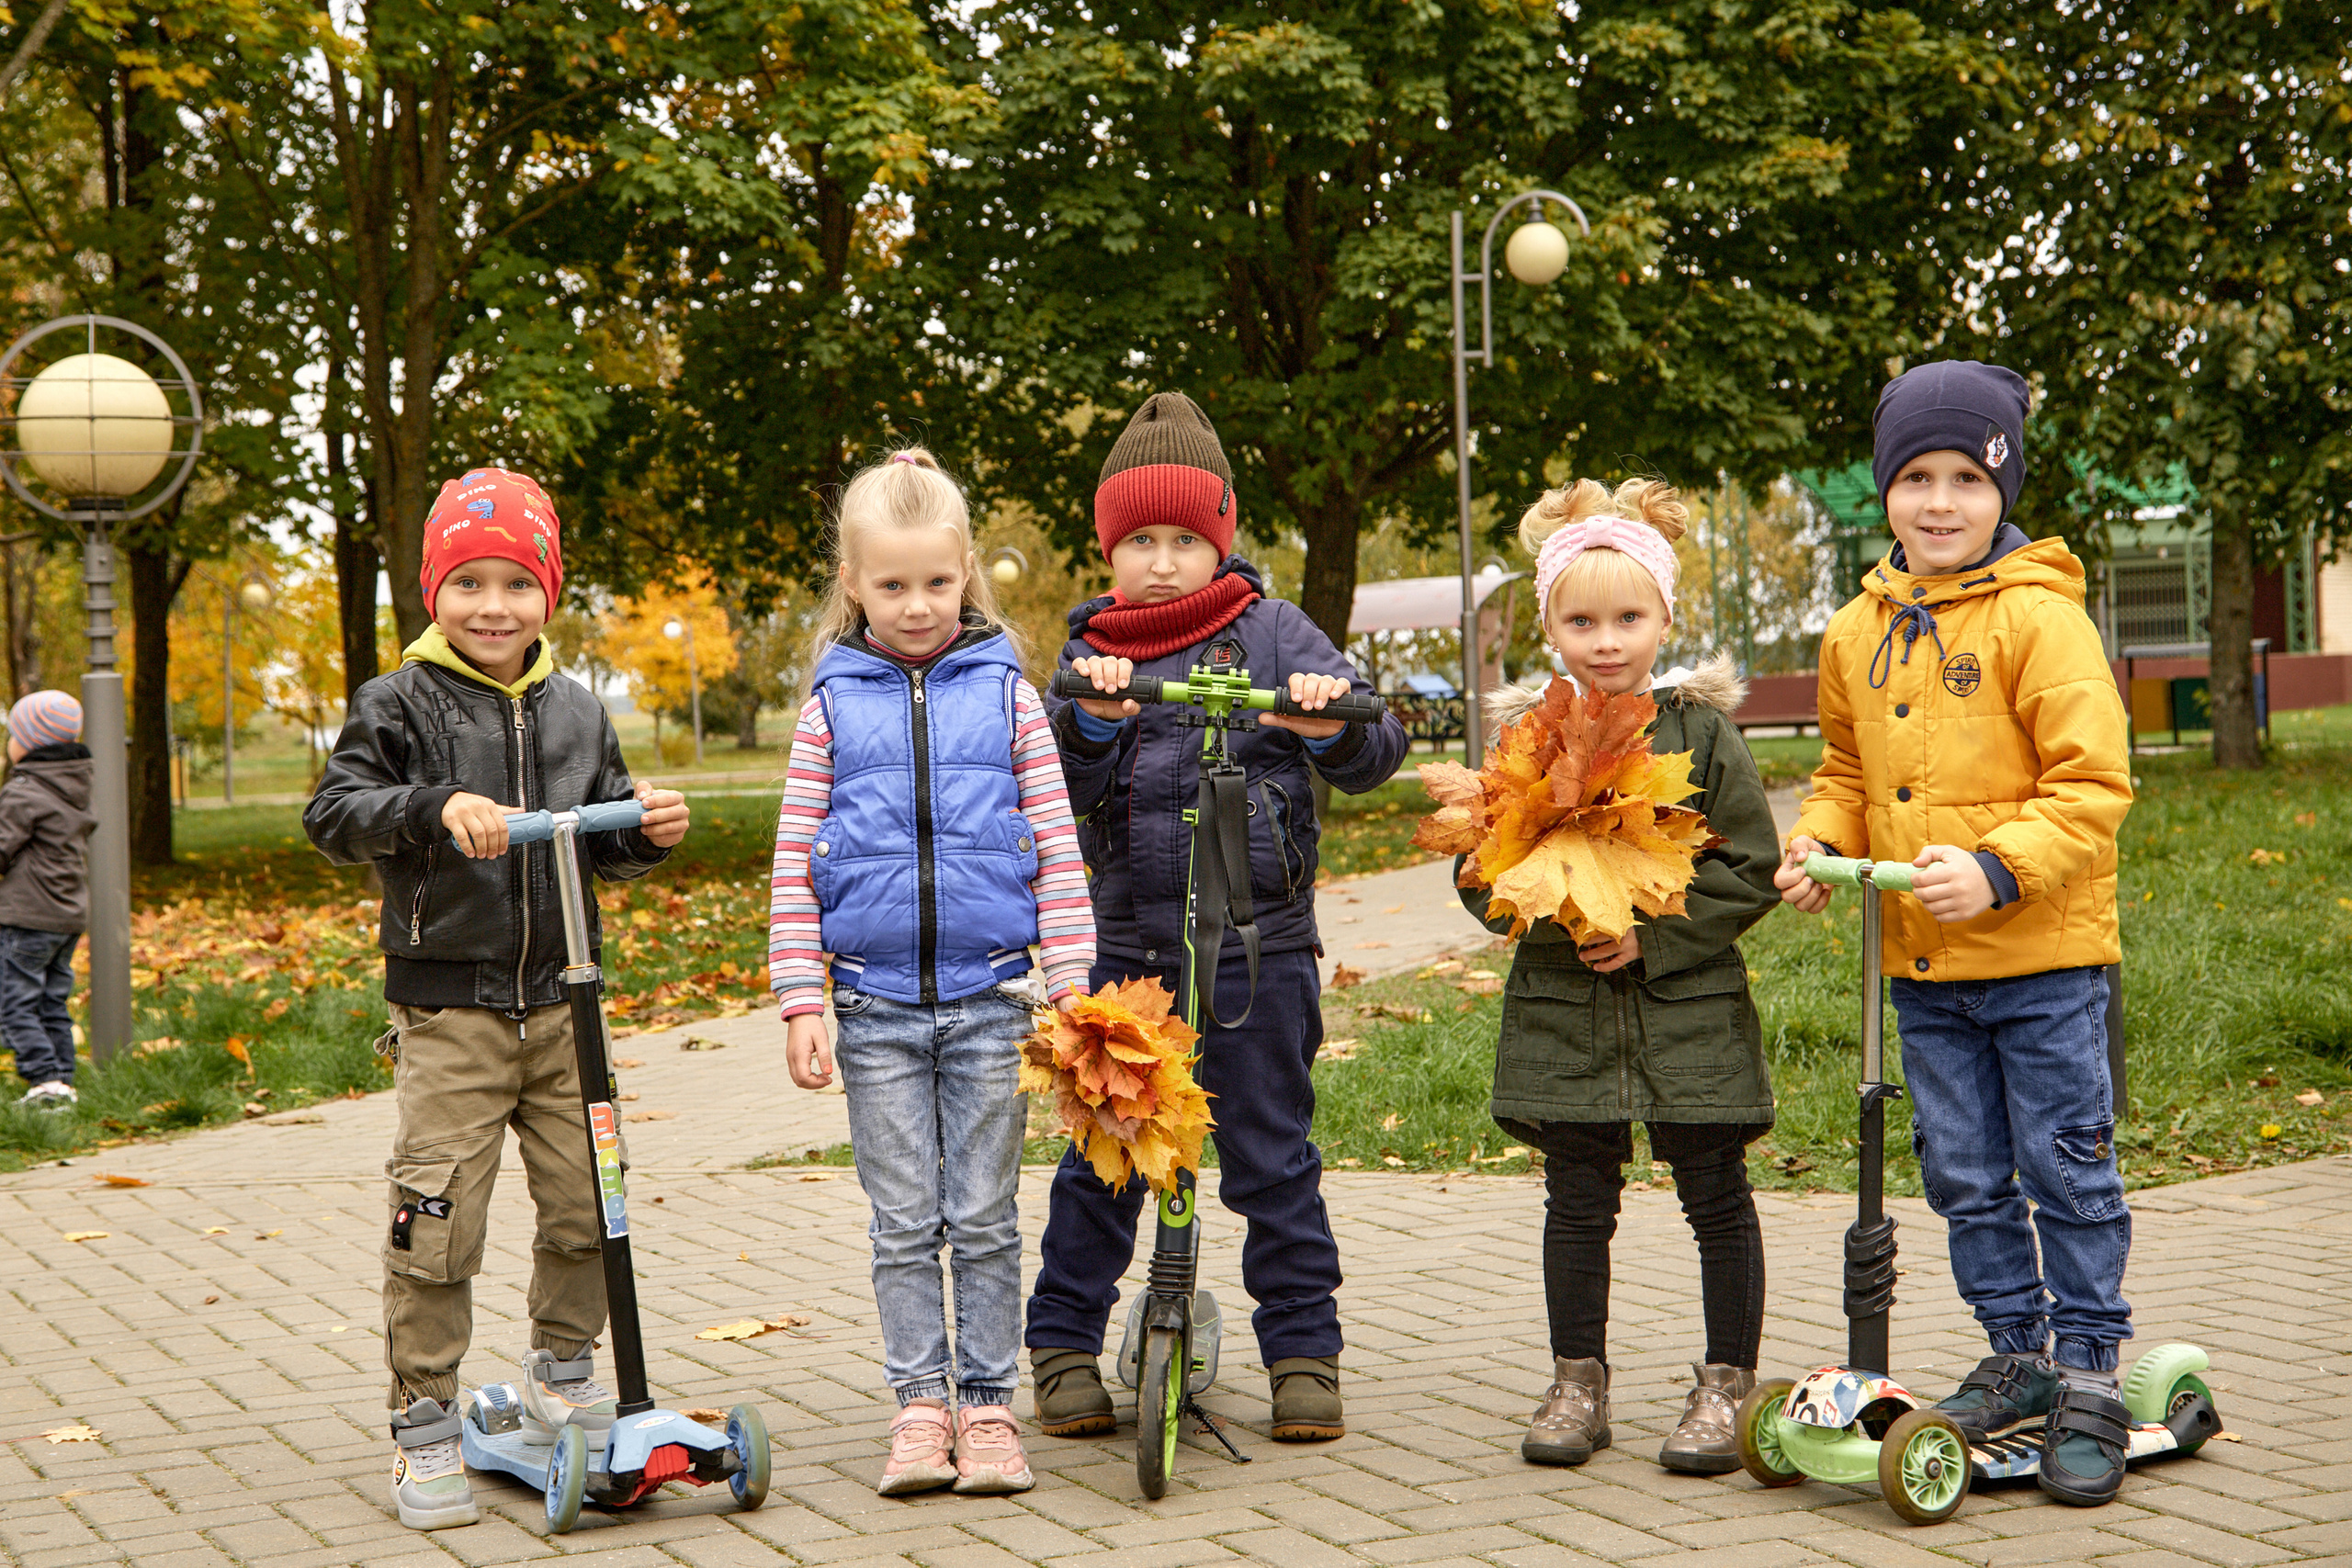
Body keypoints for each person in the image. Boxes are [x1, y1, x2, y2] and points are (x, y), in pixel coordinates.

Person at [1776, 360, 2135, 1507]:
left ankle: (2088, 1369)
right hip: (1924, 970)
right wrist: (1817, 841)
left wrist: (1993, 869)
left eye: (1966, 480)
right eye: (1915, 478)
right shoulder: (1855, 631)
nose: (1940, 502)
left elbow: (2091, 786)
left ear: (2001, 488)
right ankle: (2015, 1352)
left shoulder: (2042, 618)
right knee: (1966, 1177)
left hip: (2043, 963)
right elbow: (1844, 770)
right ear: (1883, 489)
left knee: (2063, 1169)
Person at [305, 468, 691, 1531]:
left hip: (567, 1007)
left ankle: (564, 1369)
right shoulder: (397, 702)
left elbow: (601, 842)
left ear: (547, 593)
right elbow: (334, 815)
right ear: (434, 589)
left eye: (517, 583)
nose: (493, 606)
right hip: (453, 1015)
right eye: (468, 582)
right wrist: (434, 807)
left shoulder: (578, 708)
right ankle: (425, 1423)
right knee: (438, 1221)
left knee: (589, 1203)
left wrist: (644, 831)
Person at [1029, 391, 1408, 1442]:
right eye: (1139, 541)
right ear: (1109, 548)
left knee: (1272, 1155)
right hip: (1127, 954)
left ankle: (1304, 1351)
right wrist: (1092, 722)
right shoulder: (1094, 651)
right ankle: (1061, 1345)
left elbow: (1377, 748)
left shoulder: (1273, 632)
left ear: (1221, 540)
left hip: (1259, 951)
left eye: (1185, 540)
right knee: (1105, 1156)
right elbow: (1048, 783)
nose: (1162, 562)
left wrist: (1328, 725)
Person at [770, 446, 1094, 1498]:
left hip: (992, 1000)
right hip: (872, 1010)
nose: (917, 606)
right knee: (905, 1222)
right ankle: (919, 1406)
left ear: (968, 575)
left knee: (987, 1218)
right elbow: (794, 858)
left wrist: (1070, 980)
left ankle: (988, 1407)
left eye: (938, 582)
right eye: (892, 584)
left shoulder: (1007, 697)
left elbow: (1055, 846)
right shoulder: (829, 707)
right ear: (852, 584)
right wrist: (801, 996)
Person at [1458, 479, 1781, 1472]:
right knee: (1575, 1199)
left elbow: (1749, 866)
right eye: (1582, 621)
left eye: (1628, 619)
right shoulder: (1526, 738)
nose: (1606, 641)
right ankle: (1577, 1381)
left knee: (1714, 1191)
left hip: (1687, 1006)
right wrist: (1556, 901)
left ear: (1664, 620)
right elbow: (1482, 869)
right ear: (1550, 627)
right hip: (1566, 1007)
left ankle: (1727, 1383)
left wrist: (1653, 935)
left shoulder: (1701, 733)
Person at [0, 690, 94, 1108]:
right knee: (51, 1001)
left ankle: (43, 1079)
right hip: (66, 914)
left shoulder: (24, 791)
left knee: (13, 1003)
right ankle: (62, 1082)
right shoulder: (75, 784)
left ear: (28, 743)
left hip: (27, 916)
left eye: (12, 734)